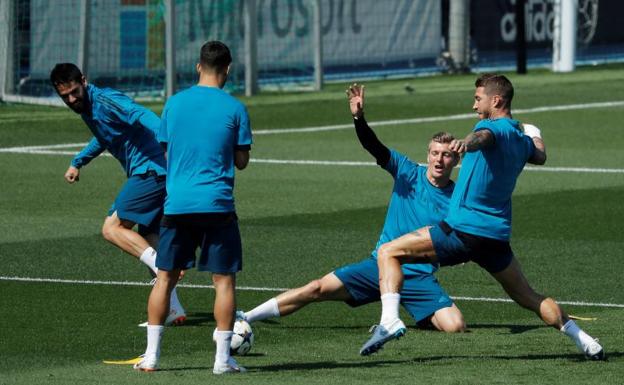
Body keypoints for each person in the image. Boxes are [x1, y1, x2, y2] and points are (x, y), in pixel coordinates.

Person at [360, 73, 605, 360]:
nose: (475, 105)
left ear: (496, 100)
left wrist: (466, 142)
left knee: (388, 252)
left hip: (463, 230)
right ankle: (586, 341)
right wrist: (534, 132)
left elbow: (483, 137)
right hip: (496, 236)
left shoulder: (492, 128)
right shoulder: (521, 140)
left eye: (478, 98)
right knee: (528, 296)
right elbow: (540, 156)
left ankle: (389, 320)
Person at [239, 84, 465, 339]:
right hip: (379, 267)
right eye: (434, 153)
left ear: (456, 161)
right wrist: (359, 118)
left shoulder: (458, 198)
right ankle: (246, 316)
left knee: (455, 326)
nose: (438, 160)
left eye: (446, 155)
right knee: (317, 288)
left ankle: (408, 314)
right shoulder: (407, 172)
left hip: (418, 276)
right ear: (428, 154)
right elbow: (374, 146)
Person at [133, 41, 252, 374]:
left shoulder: (174, 104)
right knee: (224, 282)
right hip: (217, 205)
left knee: (165, 279)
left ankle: (152, 357)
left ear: (199, 66)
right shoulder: (235, 108)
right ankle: (222, 360)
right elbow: (241, 161)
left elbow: (167, 151)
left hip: (178, 204)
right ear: (227, 69)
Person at [50, 63, 186, 326]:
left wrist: (169, 139)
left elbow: (139, 113)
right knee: (147, 237)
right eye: (65, 96)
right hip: (159, 171)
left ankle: (164, 269)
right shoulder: (89, 108)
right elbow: (105, 136)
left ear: (84, 81)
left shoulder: (105, 100)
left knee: (112, 228)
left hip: (151, 171)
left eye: (75, 92)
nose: (71, 99)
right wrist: (78, 161)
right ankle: (173, 309)